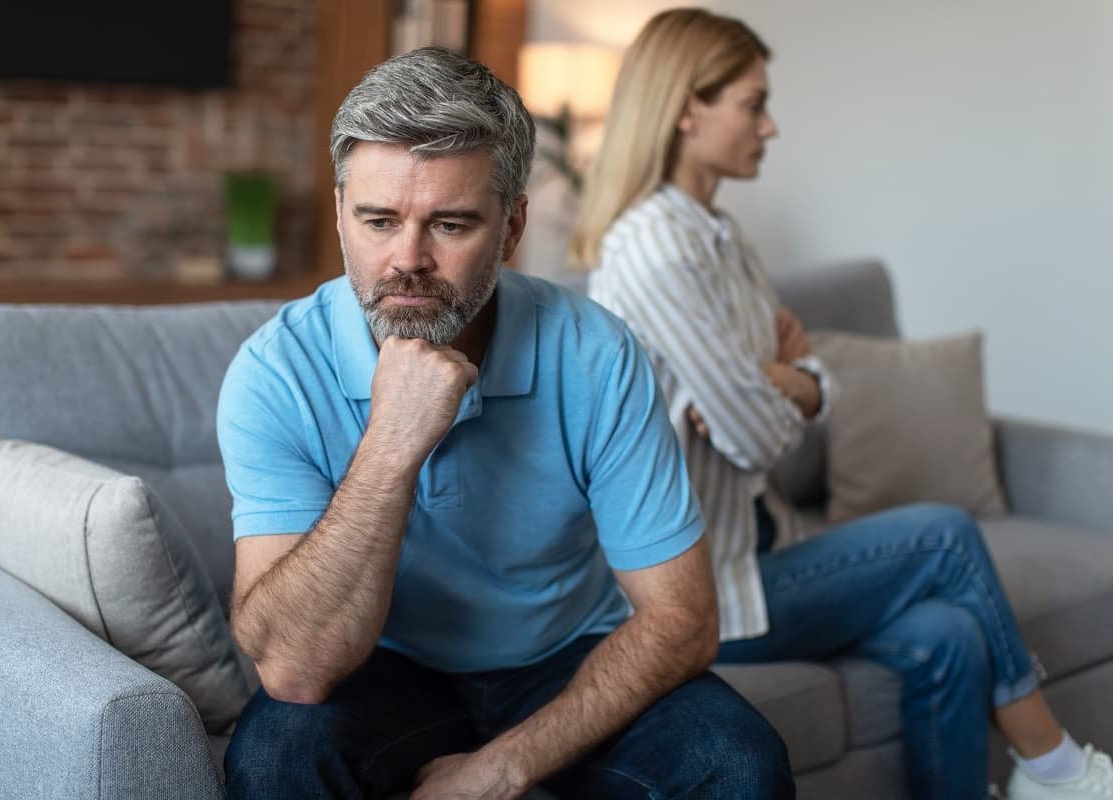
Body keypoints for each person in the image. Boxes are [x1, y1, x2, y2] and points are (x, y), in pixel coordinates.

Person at [216, 46, 794, 799]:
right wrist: (392, 442)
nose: (408, 260)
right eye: (378, 219)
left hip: (563, 657)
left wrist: (504, 767)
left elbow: (682, 620)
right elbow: (294, 670)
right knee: (273, 757)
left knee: (741, 761)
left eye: (450, 224)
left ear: (512, 225)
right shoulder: (276, 372)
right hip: (384, 668)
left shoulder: (597, 354)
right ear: (338, 211)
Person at [575, 9, 1112, 800]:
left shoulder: (719, 235)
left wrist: (799, 380)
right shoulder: (652, 248)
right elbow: (759, 437)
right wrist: (784, 384)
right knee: (944, 535)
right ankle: (1059, 770)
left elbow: (802, 378)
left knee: (953, 636)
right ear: (688, 108)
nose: (772, 125)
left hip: (767, 545)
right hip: (706, 587)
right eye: (754, 104)